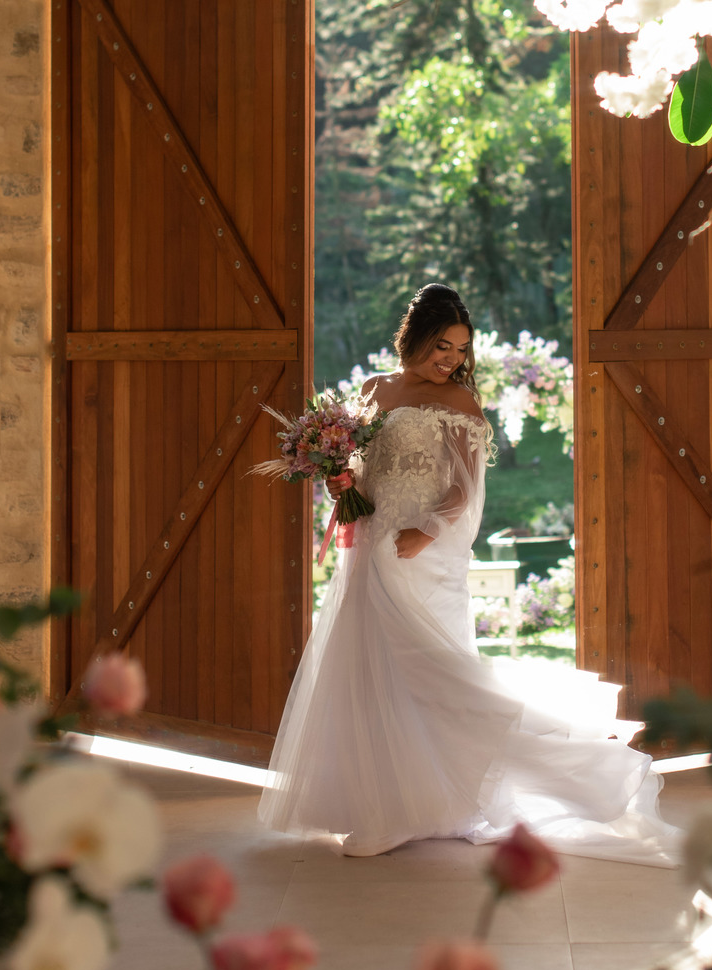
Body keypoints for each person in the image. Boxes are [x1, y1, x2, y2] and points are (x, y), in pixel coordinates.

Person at [258, 283, 679, 863]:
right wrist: (340, 478)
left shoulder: (460, 404)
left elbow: (465, 489)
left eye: (459, 349)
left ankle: (557, 773)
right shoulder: (373, 389)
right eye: (442, 346)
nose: (451, 360)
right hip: (371, 541)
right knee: (369, 667)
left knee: (431, 677)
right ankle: (385, 805)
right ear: (414, 338)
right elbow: (361, 463)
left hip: (420, 551)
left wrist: (425, 532)